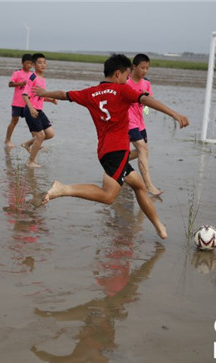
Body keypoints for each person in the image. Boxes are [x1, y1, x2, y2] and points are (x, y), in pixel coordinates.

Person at [35, 54, 189, 239]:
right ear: (118, 73)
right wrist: (174, 114)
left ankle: (159, 226)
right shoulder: (122, 90)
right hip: (117, 151)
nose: (127, 80)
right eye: (126, 76)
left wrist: (44, 94)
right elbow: (146, 100)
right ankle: (63, 189)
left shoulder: (90, 92)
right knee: (108, 197)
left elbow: (63, 94)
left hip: (106, 151)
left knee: (139, 186)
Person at [127, 53, 161, 196]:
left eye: (147, 68)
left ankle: (117, 161)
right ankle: (148, 185)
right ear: (134, 67)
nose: (145, 71)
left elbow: (151, 101)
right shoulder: (125, 81)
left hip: (140, 122)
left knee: (144, 150)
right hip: (128, 121)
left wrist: (147, 96)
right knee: (142, 149)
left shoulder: (146, 83)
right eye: (142, 68)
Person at [20, 53, 57, 168]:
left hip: (39, 110)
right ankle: (30, 161)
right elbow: (25, 94)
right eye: (40, 63)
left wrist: (49, 100)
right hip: (31, 109)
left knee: (50, 134)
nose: (43, 65)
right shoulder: (33, 77)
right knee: (40, 136)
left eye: (44, 62)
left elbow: (38, 96)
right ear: (34, 64)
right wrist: (31, 109)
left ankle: (27, 143)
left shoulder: (42, 79)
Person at [4, 53, 33, 148]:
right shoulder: (17, 73)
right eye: (27, 63)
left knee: (32, 122)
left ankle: (35, 142)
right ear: (22, 63)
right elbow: (10, 84)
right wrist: (21, 83)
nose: (29, 65)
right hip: (17, 102)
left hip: (28, 103)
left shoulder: (32, 75)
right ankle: (7, 140)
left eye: (31, 63)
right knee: (14, 120)